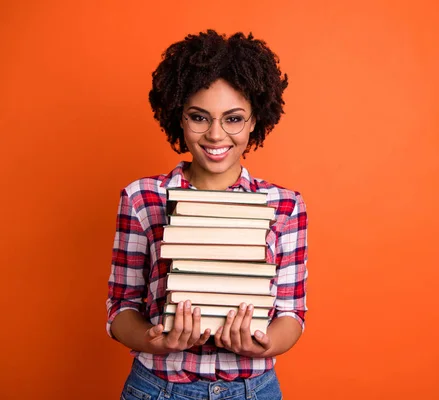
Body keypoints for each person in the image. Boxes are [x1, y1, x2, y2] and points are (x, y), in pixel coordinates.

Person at [106, 29, 308, 400]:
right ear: (178, 117)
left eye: (233, 119)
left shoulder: (285, 205)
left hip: (253, 390)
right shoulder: (142, 198)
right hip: (159, 387)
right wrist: (159, 342)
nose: (216, 135)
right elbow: (121, 310)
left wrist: (257, 344)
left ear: (254, 122)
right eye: (199, 117)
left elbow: (292, 316)